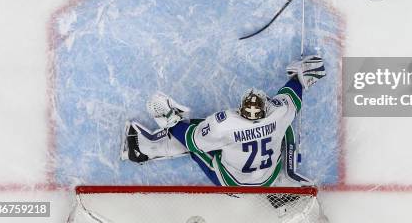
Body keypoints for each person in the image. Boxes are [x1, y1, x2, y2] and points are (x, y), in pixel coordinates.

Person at [122, 56, 325, 187]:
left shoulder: (226, 123)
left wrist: (170, 120)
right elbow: (293, 94)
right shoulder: (278, 113)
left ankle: (143, 148)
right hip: (267, 179)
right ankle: (287, 176)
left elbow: (192, 140)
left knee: (196, 137)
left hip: (231, 181)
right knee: (284, 128)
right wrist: (301, 77)